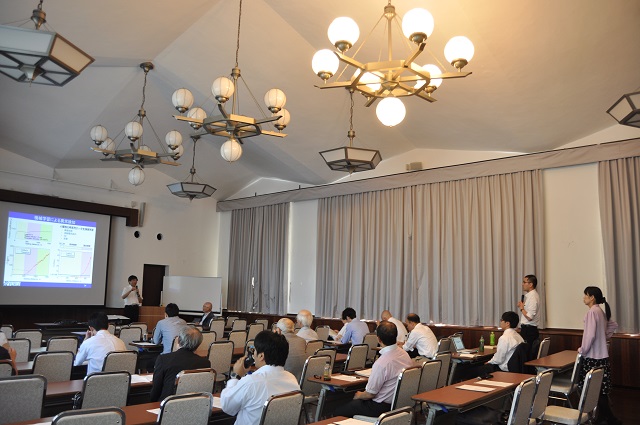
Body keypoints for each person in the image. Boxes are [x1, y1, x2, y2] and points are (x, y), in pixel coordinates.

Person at [334, 321, 414, 418]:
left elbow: (370, 394)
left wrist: (359, 395)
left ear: (378, 339)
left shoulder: (381, 363)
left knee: (338, 411)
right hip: (400, 403)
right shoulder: (404, 354)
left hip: (380, 407)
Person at [220, 330, 300, 424]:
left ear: (261, 356)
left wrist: (235, 376)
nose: (253, 354)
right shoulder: (292, 379)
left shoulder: (251, 382)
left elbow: (227, 406)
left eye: (254, 350)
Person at [578, 286, 620, 425]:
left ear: (592, 297)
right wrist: (603, 337)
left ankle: (610, 419)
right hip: (602, 357)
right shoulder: (600, 311)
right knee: (600, 390)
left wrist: (583, 350)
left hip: (592, 357)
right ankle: (604, 418)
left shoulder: (592, 312)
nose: (584, 298)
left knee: (594, 389)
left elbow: (590, 336)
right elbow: (613, 325)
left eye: (586, 295)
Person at [150, 326, 211, 402]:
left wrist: (151, 402)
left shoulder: (163, 359)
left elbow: (156, 388)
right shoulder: (205, 363)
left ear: (178, 340)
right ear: (198, 344)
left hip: (168, 403)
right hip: (194, 403)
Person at [517, 274, 540, 355]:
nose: (522, 284)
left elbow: (529, 317)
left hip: (529, 331)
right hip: (527, 330)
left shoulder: (533, 297)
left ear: (530, 284)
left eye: (524, 282)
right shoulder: (530, 296)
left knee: (527, 355)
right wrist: (522, 307)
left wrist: (521, 308)